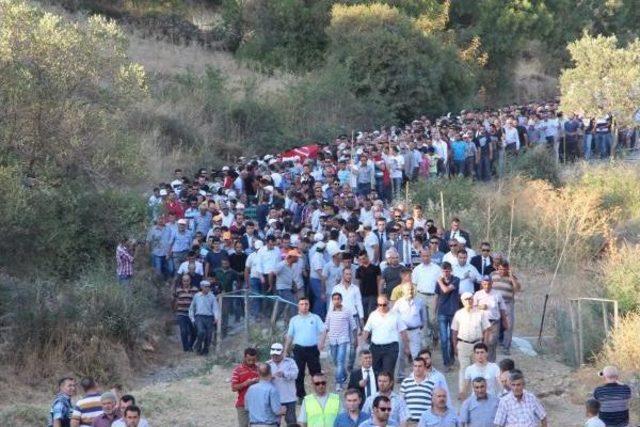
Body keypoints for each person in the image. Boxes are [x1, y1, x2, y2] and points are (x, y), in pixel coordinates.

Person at [285, 297, 326, 400]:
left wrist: (321, 343)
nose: (304, 306)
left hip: (312, 349)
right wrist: (286, 350)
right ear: (298, 306)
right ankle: (301, 396)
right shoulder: (294, 320)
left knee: (316, 373)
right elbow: (289, 336)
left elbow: (324, 331)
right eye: (302, 304)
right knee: (298, 374)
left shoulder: (315, 318)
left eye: (306, 304)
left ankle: (319, 394)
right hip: (298, 350)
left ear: (309, 305)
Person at [360, 295, 410, 377]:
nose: (382, 307)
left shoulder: (396, 315)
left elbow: (403, 332)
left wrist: (407, 347)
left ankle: (389, 389)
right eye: (380, 305)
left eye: (384, 304)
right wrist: (361, 346)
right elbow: (366, 331)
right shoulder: (373, 315)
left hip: (391, 348)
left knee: (388, 373)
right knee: (375, 373)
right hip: (375, 348)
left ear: (388, 304)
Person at [451, 292, 491, 393]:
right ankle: (463, 391)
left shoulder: (480, 313)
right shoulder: (458, 314)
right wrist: (454, 346)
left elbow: (487, 329)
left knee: (478, 368)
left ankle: (478, 392)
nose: (469, 301)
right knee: (464, 369)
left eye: (470, 298)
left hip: (477, 345)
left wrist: (485, 344)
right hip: (463, 344)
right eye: (466, 299)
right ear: (462, 301)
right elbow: (454, 331)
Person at [391, 279, 426, 380]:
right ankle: (400, 375)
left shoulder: (419, 301)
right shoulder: (398, 303)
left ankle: (416, 376)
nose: (410, 291)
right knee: (400, 355)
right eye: (408, 290)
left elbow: (424, 317)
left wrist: (421, 327)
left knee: (416, 355)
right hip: (402, 332)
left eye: (411, 289)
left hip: (415, 331)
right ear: (403, 291)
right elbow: (394, 318)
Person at [322, 292, 357, 391]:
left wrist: (355, 339)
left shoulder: (347, 311)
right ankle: (344, 373)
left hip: (343, 339)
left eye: (338, 299)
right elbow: (326, 326)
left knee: (340, 361)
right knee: (335, 361)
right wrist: (322, 340)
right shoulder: (330, 312)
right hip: (332, 340)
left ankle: (339, 382)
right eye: (334, 299)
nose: (336, 301)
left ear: (341, 300)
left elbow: (353, 326)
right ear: (332, 301)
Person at [472, 276, 508, 362]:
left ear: (492, 284)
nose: (487, 286)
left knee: (492, 343)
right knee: (480, 343)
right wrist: (480, 307)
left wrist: (505, 321)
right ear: (482, 284)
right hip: (481, 322)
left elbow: (502, 308)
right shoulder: (478, 294)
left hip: (494, 322)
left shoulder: (497, 294)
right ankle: (480, 362)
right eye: (484, 284)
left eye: (488, 284)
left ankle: (491, 363)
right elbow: (472, 308)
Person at [411, 249, 441, 347]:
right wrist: (415, 298)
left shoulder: (437, 268)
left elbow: (439, 284)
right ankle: (426, 344)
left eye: (427, 256)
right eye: (423, 256)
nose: (425, 258)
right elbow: (414, 284)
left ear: (430, 256)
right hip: (420, 295)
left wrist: (438, 296)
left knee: (433, 319)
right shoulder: (417, 269)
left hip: (433, 296)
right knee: (423, 320)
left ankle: (436, 335)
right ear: (421, 257)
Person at [491, 261, 520, 355]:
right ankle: (493, 344)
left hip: (508, 303)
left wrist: (511, 277)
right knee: (494, 324)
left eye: (504, 269)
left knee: (508, 325)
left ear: (507, 269)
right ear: (497, 268)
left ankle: (506, 346)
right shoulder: (493, 275)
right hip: (495, 303)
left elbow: (517, 289)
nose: (502, 271)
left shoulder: (512, 277)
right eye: (500, 269)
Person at [435, 262, 460, 371]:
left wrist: (440, 281)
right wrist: (434, 310)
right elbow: (437, 295)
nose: (446, 273)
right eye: (444, 271)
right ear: (442, 271)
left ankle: (451, 358)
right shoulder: (439, 282)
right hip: (442, 312)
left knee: (451, 338)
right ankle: (446, 362)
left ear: (451, 270)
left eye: (448, 270)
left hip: (453, 312)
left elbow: (445, 290)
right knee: (444, 339)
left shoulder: (456, 280)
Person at [400, 358, 436, 424]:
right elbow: (401, 403)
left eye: (420, 366)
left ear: (425, 367)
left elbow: (434, 403)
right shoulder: (405, 382)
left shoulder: (432, 383)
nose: (417, 368)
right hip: (410, 422)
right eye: (415, 366)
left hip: (426, 422)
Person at [188, 280, 219, 355]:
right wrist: (192, 318)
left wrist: (216, 317)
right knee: (201, 332)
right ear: (201, 287)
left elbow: (215, 308)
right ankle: (198, 347)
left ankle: (205, 350)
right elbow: (192, 308)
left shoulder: (212, 296)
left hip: (209, 317)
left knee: (209, 335)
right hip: (199, 317)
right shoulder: (197, 296)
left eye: (208, 287)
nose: (207, 288)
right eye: (206, 287)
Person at [231, 347, 260, 427]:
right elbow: (233, 388)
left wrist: (259, 381)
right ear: (244, 357)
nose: (251, 362)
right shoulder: (237, 370)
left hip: (257, 403)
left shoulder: (259, 369)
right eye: (249, 360)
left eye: (254, 360)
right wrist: (245, 383)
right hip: (242, 404)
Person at [172, 274, 198, 352]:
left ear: (190, 281)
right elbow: (174, 301)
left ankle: (190, 346)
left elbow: (197, 301)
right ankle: (186, 349)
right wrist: (174, 310)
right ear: (182, 281)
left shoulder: (195, 290)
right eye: (184, 281)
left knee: (194, 331)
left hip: (191, 314)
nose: (186, 282)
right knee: (184, 331)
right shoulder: (178, 290)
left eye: (187, 281)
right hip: (181, 313)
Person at [356, 251, 383, 320]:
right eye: (360, 259)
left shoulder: (375, 268)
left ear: (367, 257)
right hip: (363, 295)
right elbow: (358, 283)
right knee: (364, 314)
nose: (362, 260)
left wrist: (379, 294)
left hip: (373, 294)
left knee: (371, 313)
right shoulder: (358, 270)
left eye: (364, 258)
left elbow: (379, 281)